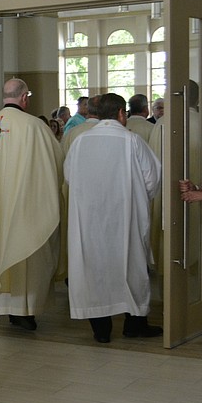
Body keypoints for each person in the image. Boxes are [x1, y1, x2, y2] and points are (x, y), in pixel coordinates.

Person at [65, 93, 162, 342]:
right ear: (121, 113)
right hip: (126, 218)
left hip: (89, 218)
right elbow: (152, 180)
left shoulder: (80, 142)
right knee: (131, 266)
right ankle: (134, 323)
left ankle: (101, 329)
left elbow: (69, 176)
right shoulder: (132, 142)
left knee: (94, 268)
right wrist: (137, 197)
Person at [0, 78, 63, 331]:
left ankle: (2, 305)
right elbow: (56, 165)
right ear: (24, 98)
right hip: (25, 207)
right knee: (26, 251)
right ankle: (24, 311)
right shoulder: (35, 127)